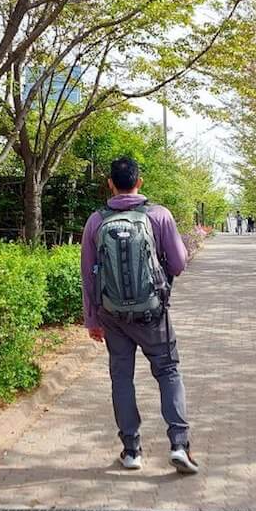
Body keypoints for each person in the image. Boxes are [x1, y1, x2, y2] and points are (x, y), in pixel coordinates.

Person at [81, 156, 200, 475]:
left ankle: (131, 450)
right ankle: (178, 445)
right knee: (168, 371)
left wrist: (92, 320)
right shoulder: (158, 215)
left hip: (112, 315)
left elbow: (88, 274)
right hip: (152, 314)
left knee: (122, 378)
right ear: (140, 181)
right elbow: (177, 265)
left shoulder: (96, 220)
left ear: (110, 183)